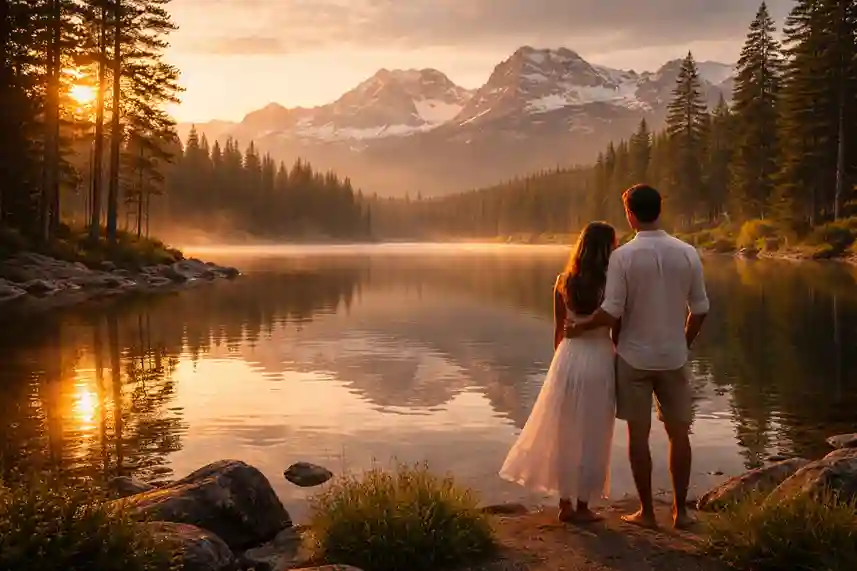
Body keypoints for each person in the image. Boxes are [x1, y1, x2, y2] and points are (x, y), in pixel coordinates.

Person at [565, 184, 709, 530]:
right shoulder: (687, 252)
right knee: (679, 433)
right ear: (660, 210)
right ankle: (681, 513)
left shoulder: (622, 257)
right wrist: (684, 342)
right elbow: (700, 308)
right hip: (673, 357)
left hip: (633, 359)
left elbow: (611, 311)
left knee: (638, 436)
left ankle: (646, 513)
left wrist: (580, 327)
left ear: (630, 215)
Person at [500, 221, 620, 523]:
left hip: (567, 359)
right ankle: (583, 505)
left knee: (565, 432)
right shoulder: (612, 285)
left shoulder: (563, 282)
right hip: (600, 359)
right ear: (607, 249)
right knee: (593, 433)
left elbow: (558, 332)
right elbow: (616, 329)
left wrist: (562, 363)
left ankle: (564, 504)